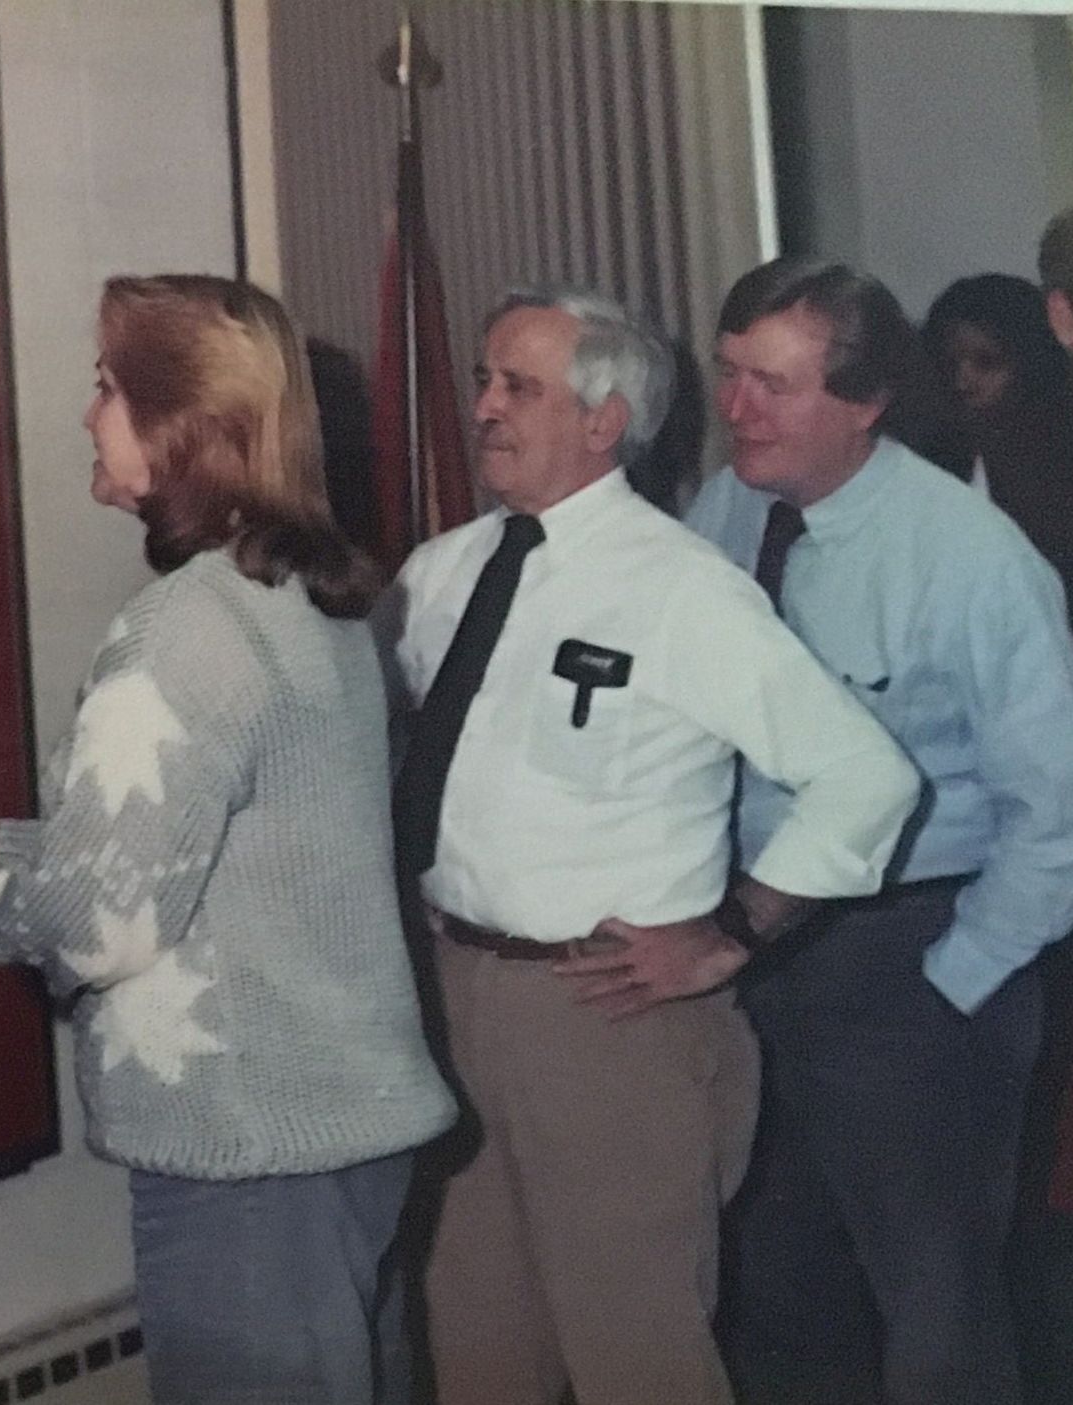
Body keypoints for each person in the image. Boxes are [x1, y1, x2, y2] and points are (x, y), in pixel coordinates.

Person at [0, 274, 457, 1405]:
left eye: (104, 386)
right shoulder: (298, 602)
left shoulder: (181, 629)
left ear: (177, 422)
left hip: (252, 1154)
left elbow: (106, 921)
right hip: (336, 1136)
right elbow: (203, 849)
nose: (86, 413)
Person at [380, 287, 919, 1405]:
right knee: (473, 1344)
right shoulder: (438, 576)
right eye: (484, 379)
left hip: (604, 1017)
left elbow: (864, 777)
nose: (482, 406)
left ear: (604, 418)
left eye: (515, 386)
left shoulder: (681, 592)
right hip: (454, 991)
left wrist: (730, 934)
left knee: (637, 1356)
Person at [687, 257, 1073, 1405]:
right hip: (752, 946)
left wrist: (957, 979)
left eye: (771, 383)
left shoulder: (965, 557)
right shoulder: (723, 512)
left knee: (935, 1313)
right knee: (779, 1293)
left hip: (910, 955)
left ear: (864, 402)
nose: (735, 408)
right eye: (728, 373)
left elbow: (1056, 813)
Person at [921, 275, 1073, 588]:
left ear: (1031, 365)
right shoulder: (928, 455)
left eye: (987, 363)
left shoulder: (1058, 465)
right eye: (949, 364)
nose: (962, 381)